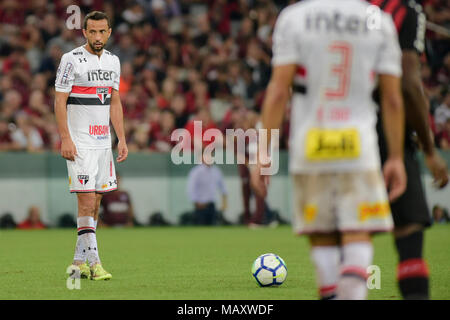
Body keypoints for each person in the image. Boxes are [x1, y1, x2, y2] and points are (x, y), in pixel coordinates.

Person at [251, 0, 406, 300]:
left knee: (321, 237)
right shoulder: (378, 21)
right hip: (358, 144)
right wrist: (397, 157)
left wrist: (264, 151)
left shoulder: (294, 18)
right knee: (357, 232)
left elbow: (278, 91)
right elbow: (392, 99)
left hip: (311, 144)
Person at [370, 0, 449, 300]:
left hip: (339, 132)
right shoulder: (405, 10)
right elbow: (409, 82)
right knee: (408, 232)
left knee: (347, 238)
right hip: (385, 129)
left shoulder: (342, 8)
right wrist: (429, 149)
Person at [54, 11, 128, 281]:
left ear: (109, 32)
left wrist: (120, 138)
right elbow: (59, 100)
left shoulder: (113, 61)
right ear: (84, 32)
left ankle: (77, 263)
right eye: (92, 31)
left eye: (102, 31)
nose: (97, 37)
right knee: (85, 203)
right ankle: (96, 264)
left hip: (102, 144)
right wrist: (65, 137)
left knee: (95, 203)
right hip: (80, 144)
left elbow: (115, 102)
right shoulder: (70, 59)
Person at [187, 155, 227, 225]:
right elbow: (191, 188)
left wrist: (224, 202)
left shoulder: (216, 171)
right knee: (201, 225)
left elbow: (223, 187)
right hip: (200, 204)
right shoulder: (196, 171)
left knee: (212, 225)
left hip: (211, 204)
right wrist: (195, 201)